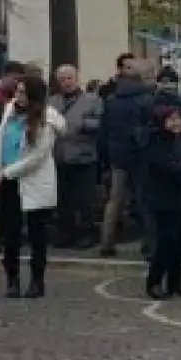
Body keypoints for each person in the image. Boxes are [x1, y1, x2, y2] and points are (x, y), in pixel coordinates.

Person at [0, 74, 62, 298]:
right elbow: (4, 140)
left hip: (33, 182)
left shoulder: (45, 119)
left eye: (23, 92)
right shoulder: (10, 111)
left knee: (36, 235)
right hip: (8, 182)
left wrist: (6, 173)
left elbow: (37, 156)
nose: (18, 96)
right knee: (10, 234)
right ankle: (12, 279)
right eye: (17, 91)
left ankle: (37, 281)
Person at [142, 105, 181, 300]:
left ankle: (175, 283)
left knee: (179, 243)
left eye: (178, 119)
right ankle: (154, 282)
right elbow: (168, 167)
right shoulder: (156, 141)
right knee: (165, 242)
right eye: (171, 119)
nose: (175, 123)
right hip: (163, 199)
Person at [97, 59, 155, 258]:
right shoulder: (147, 99)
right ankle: (149, 244)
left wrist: (105, 155)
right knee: (145, 200)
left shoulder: (112, 100)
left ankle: (106, 242)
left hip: (117, 155)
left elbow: (103, 131)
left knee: (114, 201)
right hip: (140, 155)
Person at [51, 65, 103, 249]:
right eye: (62, 79)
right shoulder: (53, 102)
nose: (66, 82)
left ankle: (86, 233)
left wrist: (81, 124)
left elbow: (100, 123)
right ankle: (65, 231)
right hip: (60, 156)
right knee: (63, 198)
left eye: (69, 78)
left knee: (85, 199)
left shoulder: (92, 100)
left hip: (84, 155)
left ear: (77, 78)